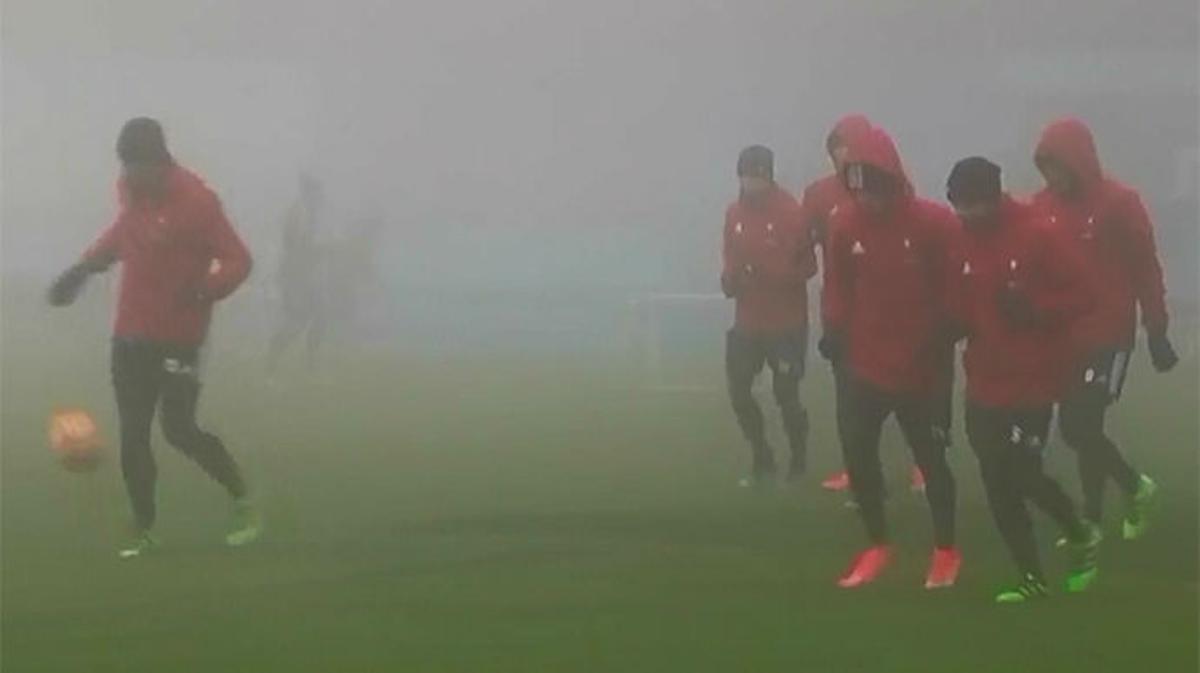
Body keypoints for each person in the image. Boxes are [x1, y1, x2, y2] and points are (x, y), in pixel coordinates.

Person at [47, 117, 261, 558]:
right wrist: (83, 270)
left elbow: (239, 260)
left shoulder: (198, 202)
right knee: (133, 434)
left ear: (160, 162)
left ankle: (242, 499)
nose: (128, 177)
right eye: (124, 168)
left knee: (179, 429)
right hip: (130, 333)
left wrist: (205, 290)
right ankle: (144, 527)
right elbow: (124, 233)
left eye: (137, 167)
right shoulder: (131, 190)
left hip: (180, 336)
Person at [944, 157, 1102, 603]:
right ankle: (1030, 576)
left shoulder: (1038, 234)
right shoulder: (960, 239)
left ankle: (1078, 531)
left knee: (1023, 472)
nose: (966, 215)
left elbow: (1085, 294)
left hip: (1032, 380)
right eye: (959, 206)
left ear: (994, 198)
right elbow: (960, 298)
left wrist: (1036, 310)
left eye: (973, 206)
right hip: (983, 380)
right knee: (995, 477)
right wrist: (951, 324)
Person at [820, 127, 960, 589]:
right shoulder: (844, 225)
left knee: (932, 461)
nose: (867, 200)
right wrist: (834, 329)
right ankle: (877, 543)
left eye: (873, 188)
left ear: (892, 180)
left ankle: (945, 549)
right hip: (867, 362)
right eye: (856, 188)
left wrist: (951, 324)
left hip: (922, 367)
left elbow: (957, 282)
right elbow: (838, 283)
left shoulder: (934, 223)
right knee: (858, 452)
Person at [1032, 118, 1175, 539]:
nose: (1052, 176)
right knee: (1083, 429)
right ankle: (1097, 514)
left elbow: (1145, 266)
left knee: (1079, 425)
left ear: (1078, 161)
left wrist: (1157, 329)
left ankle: (1133, 488)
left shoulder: (1120, 202)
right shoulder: (1040, 207)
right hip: (1062, 335)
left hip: (1108, 334)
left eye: (1058, 165)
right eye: (1046, 167)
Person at [802, 115, 926, 495]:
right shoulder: (818, 195)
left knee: (913, 393)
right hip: (844, 308)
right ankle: (857, 468)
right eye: (834, 149)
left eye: (845, 146)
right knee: (849, 396)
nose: (839, 156)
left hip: (893, 310)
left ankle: (923, 464)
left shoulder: (891, 188)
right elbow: (808, 244)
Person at [722, 145, 818, 484]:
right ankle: (761, 455)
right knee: (738, 390)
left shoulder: (792, 212)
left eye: (756, 176)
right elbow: (729, 261)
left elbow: (808, 267)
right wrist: (731, 279)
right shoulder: (733, 213)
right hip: (747, 322)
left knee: (786, 395)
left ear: (769, 175)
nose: (750, 183)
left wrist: (769, 273)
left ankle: (798, 458)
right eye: (745, 176)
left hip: (785, 324)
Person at [266, 173, 327, 373]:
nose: (320, 197)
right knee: (298, 319)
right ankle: (272, 363)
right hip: (293, 276)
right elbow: (293, 246)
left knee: (317, 315)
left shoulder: (308, 213)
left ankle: (310, 364)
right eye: (316, 192)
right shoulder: (298, 213)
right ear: (309, 192)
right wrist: (319, 251)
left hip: (302, 275)